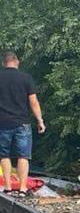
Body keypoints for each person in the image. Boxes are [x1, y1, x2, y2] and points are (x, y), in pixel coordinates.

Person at [0, 52, 45, 195]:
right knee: (23, 156)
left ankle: (7, 187)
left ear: (3, 63)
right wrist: (40, 120)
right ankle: (23, 188)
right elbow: (33, 102)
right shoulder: (26, 78)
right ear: (17, 62)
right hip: (22, 123)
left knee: (4, 155)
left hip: (2, 122)